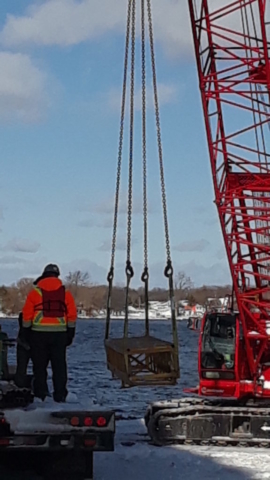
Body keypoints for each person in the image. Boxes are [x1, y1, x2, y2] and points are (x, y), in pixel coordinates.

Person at [22, 264, 77, 402]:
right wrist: (70, 333)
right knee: (59, 366)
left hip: (38, 334)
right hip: (59, 335)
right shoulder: (66, 294)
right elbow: (72, 315)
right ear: (57, 276)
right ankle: (60, 395)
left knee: (39, 367)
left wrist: (25, 333)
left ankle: (41, 395)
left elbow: (27, 316)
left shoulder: (35, 293)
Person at [14, 312, 32, 388]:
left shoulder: (24, 315)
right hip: (28, 342)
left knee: (21, 367)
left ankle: (20, 384)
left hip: (24, 342)